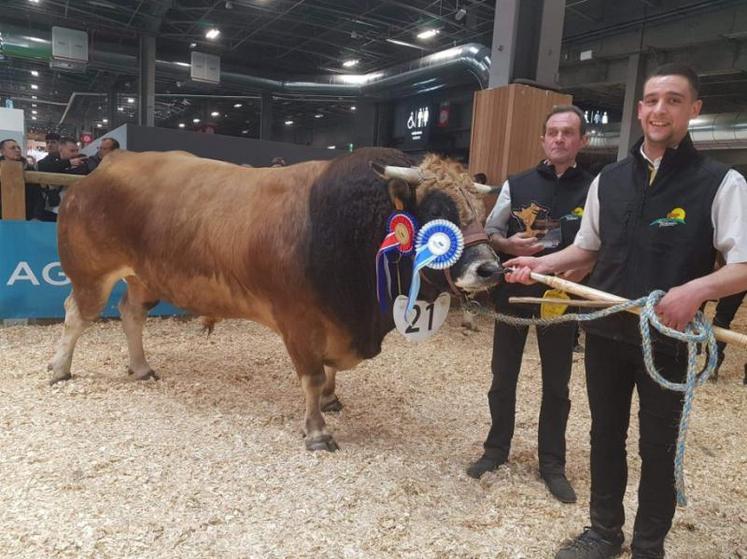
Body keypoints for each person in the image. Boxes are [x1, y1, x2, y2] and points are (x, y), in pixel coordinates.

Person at [505, 64, 747, 559]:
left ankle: (647, 544)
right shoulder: (609, 180)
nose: (661, 109)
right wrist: (540, 262)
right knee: (604, 435)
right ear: (639, 111)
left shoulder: (721, 183)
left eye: (674, 100)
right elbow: (588, 250)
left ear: (694, 110)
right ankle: (604, 533)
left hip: (668, 337)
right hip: (607, 331)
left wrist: (693, 291)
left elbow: (744, 265)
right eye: (652, 100)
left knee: (656, 447)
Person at [466, 105, 593, 505]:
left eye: (568, 133)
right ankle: (495, 449)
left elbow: (600, 242)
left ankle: (552, 463)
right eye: (553, 132)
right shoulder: (516, 183)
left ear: (581, 141)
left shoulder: (596, 187)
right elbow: (490, 232)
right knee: (503, 376)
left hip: (561, 296)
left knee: (557, 383)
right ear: (542, 139)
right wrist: (506, 245)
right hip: (514, 293)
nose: (559, 139)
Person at [37, 136, 89, 217]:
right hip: (53, 209)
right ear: (61, 149)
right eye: (72, 151)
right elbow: (43, 166)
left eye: (76, 150)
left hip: (75, 209)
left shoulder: (82, 161)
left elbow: (82, 171)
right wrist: (69, 163)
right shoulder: (49, 161)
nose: (75, 153)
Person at [0, 138, 49, 220]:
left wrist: (36, 216)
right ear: (2, 151)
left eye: (18, 147)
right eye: (13, 148)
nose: (17, 150)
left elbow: (38, 196)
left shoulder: (30, 170)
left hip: (28, 216)